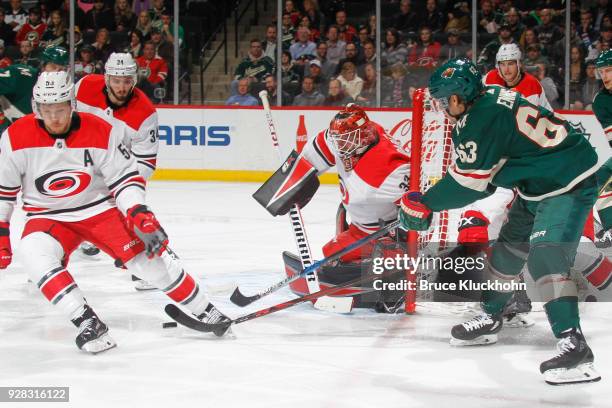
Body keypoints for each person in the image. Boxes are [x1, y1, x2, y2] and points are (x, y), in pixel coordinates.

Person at [398, 58, 606, 385]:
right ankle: (492, 315)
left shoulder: (478, 120)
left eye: (442, 100)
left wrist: (426, 204)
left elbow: (469, 184)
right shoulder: (490, 96)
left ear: (457, 98)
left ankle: (574, 344)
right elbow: (495, 168)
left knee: (545, 257)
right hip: (538, 179)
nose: (440, 107)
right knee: (508, 251)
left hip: (567, 180)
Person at [0, 71, 230, 353]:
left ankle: (206, 310)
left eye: (60, 109)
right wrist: (2, 232)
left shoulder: (102, 130)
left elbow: (124, 180)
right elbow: (4, 192)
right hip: (48, 216)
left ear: (72, 104)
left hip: (101, 209)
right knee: (33, 254)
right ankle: (87, 321)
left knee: (148, 263)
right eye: (47, 110)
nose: (54, 117)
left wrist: (138, 212)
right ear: (37, 108)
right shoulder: (14, 137)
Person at [258, 104, 410, 312]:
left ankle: (397, 282)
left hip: (383, 233)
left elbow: (419, 211)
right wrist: (288, 186)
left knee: (389, 254)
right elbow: (310, 158)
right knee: (332, 252)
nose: (338, 145)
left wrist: (400, 237)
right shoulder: (346, 138)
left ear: (364, 136)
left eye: (344, 140)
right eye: (337, 138)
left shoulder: (391, 168)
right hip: (361, 225)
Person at [75, 53, 160, 289]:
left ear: (134, 80)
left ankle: (147, 268)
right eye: (116, 80)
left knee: (132, 213)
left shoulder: (145, 113)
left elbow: (146, 162)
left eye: (126, 81)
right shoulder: (84, 87)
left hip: (117, 171)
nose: (121, 87)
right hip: (79, 160)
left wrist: (123, 188)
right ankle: (52, 260)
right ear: (106, 79)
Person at [483, 44, 552, 110]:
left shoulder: (531, 84)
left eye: (510, 64)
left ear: (519, 64)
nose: (506, 69)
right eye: (502, 64)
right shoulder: (490, 77)